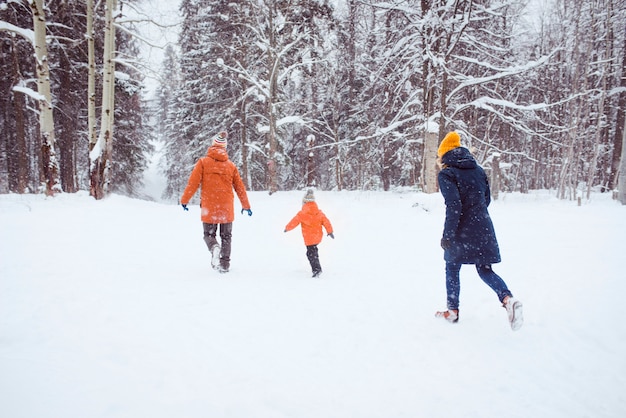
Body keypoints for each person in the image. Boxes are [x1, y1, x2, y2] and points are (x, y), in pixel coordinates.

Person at [435, 131, 523, 331]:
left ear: (444, 155)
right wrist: (475, 215)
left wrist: (448, 235)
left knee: (452, 266)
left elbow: (454, 206)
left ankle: (453, 311)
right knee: (484, 269)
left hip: (461, 228)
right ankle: (508, 299)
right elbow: (487, 200)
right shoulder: (478, 170)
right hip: (483, 225)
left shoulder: (447, 173)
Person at [180, 131, 252, 273]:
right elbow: (240, 188)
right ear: (224, 148)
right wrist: (246, 205)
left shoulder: (203, 163)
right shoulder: (231, 166)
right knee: (226, 236)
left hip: (209, 206)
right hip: (226, 207)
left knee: (209, 235)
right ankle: (225, 265)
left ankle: (214, 247)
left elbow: (192, 183)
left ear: (212, 146)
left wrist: (185, 200)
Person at [284, 189, 334, 277]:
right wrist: (330, 232)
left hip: (309, 238)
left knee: (311, 253)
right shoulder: (319, 213)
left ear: (304, 203)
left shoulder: (302, 214)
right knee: (313, 251)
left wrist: (287, 228)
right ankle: (317, 269)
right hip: (318, 236)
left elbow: (294, 222)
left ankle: (317, 270)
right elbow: (327, 222)